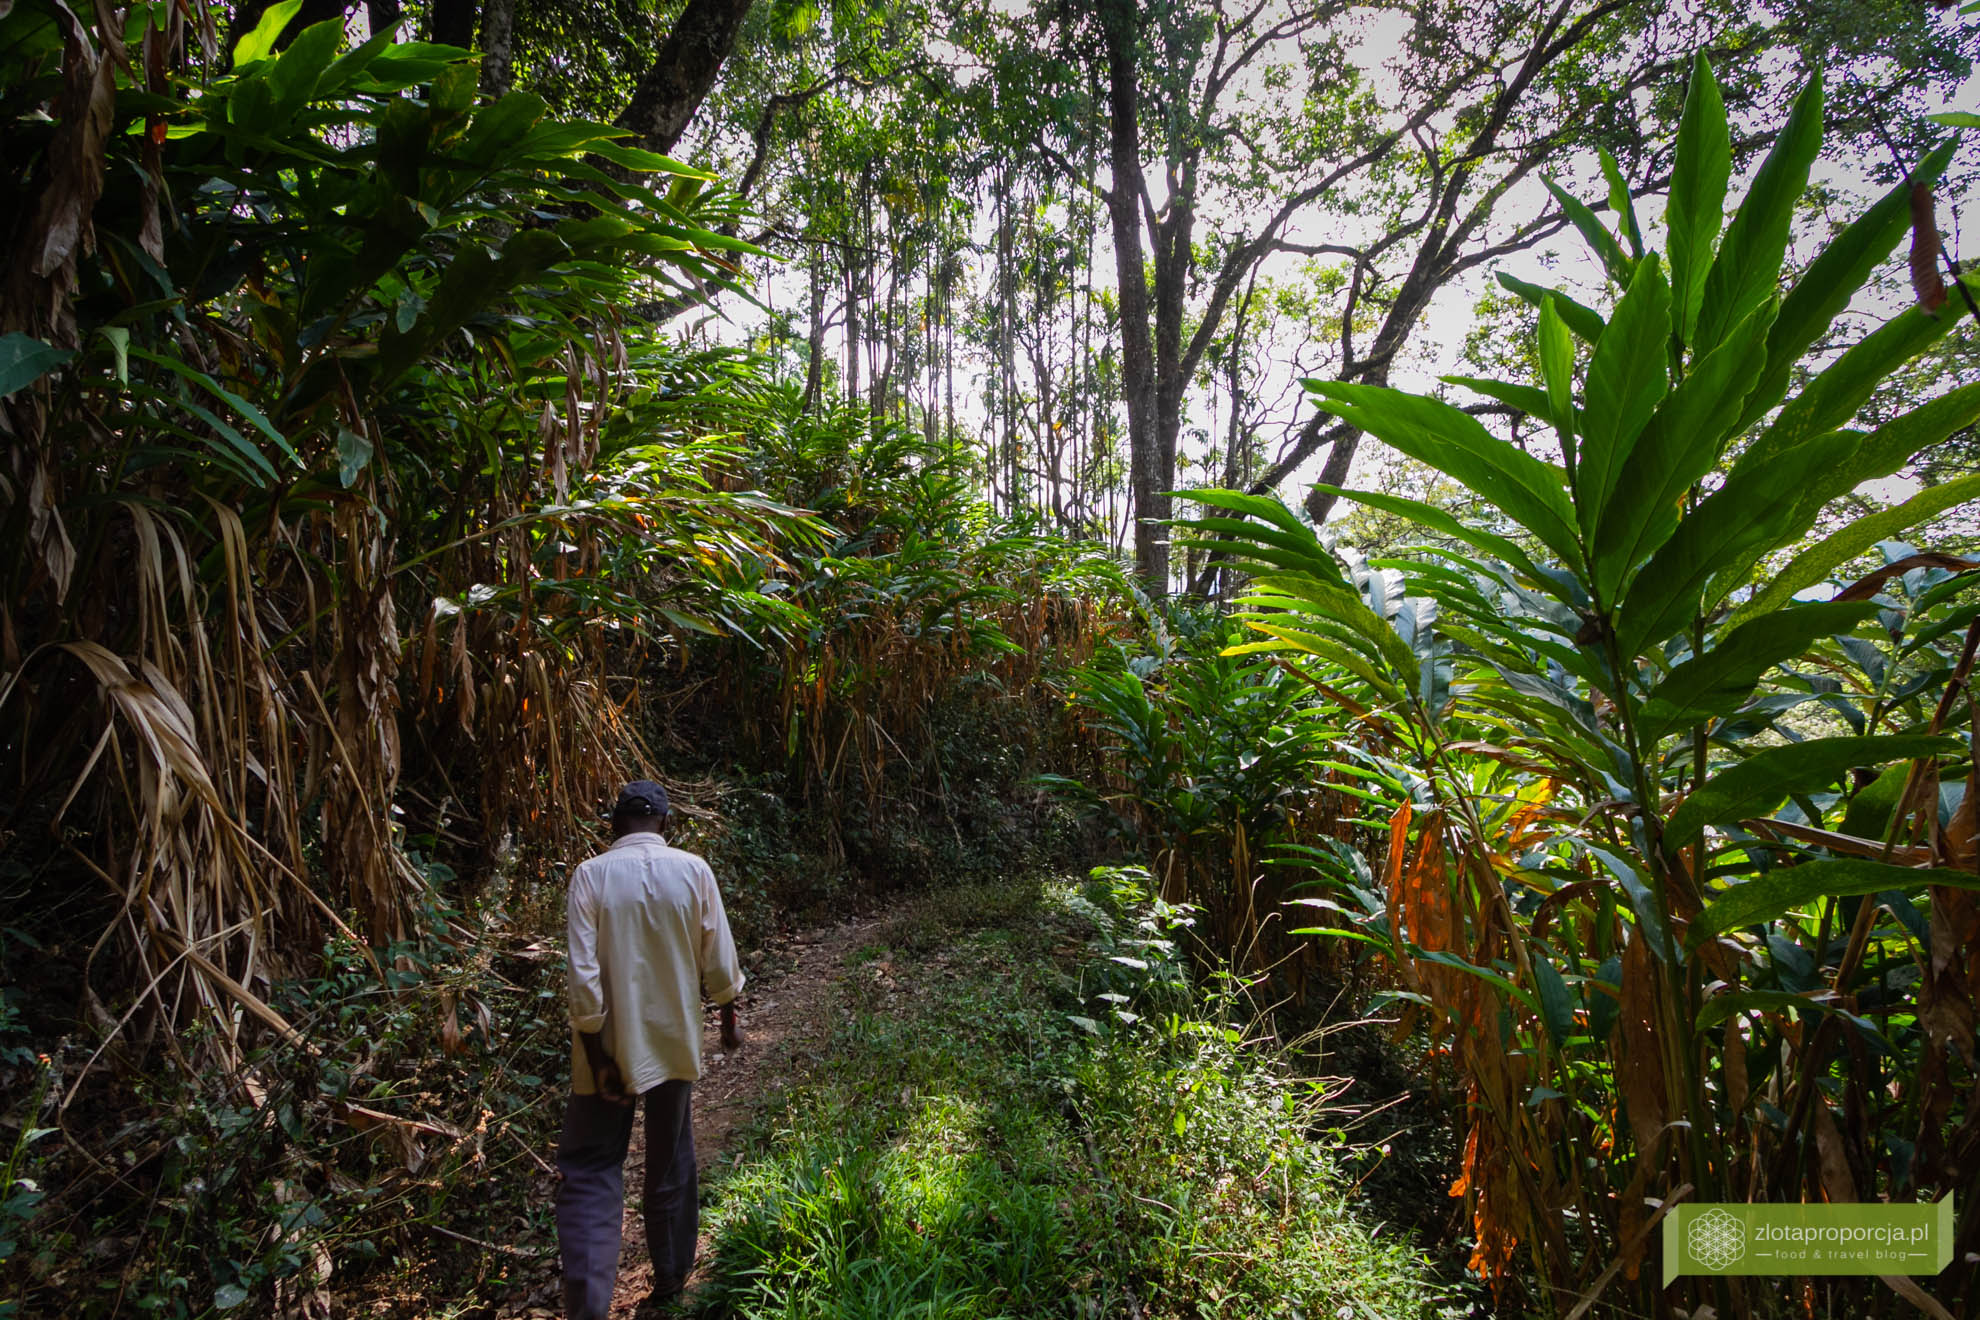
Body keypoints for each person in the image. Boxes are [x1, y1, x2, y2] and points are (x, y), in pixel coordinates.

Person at [555, 779, 744, 1318]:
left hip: (606, 1051)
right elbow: (719, 962)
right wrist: (728, 1022)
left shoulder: (590, 876)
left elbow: (584, 980)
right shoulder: (693, 871)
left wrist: (598, 1059)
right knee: (670, 1157)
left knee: (591, 1166)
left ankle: (588, 1304)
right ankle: (670, 1278)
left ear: (615, 825)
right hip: (674, 1043)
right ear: (664, 823)